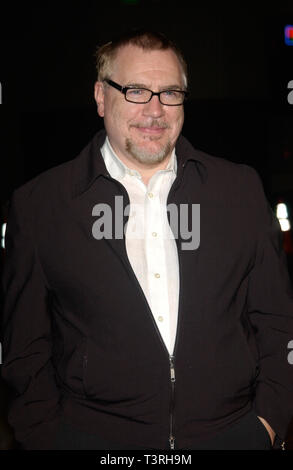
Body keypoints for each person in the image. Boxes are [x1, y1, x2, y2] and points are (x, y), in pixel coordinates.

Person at [1, 29, 293, 451]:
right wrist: (50, 438)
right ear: (101, 97)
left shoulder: (239, 190)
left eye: (170, 92)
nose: (155, 109)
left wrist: (267, 423)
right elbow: (24, 351)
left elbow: (278, 321)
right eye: (136, 90)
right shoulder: (41, 206)